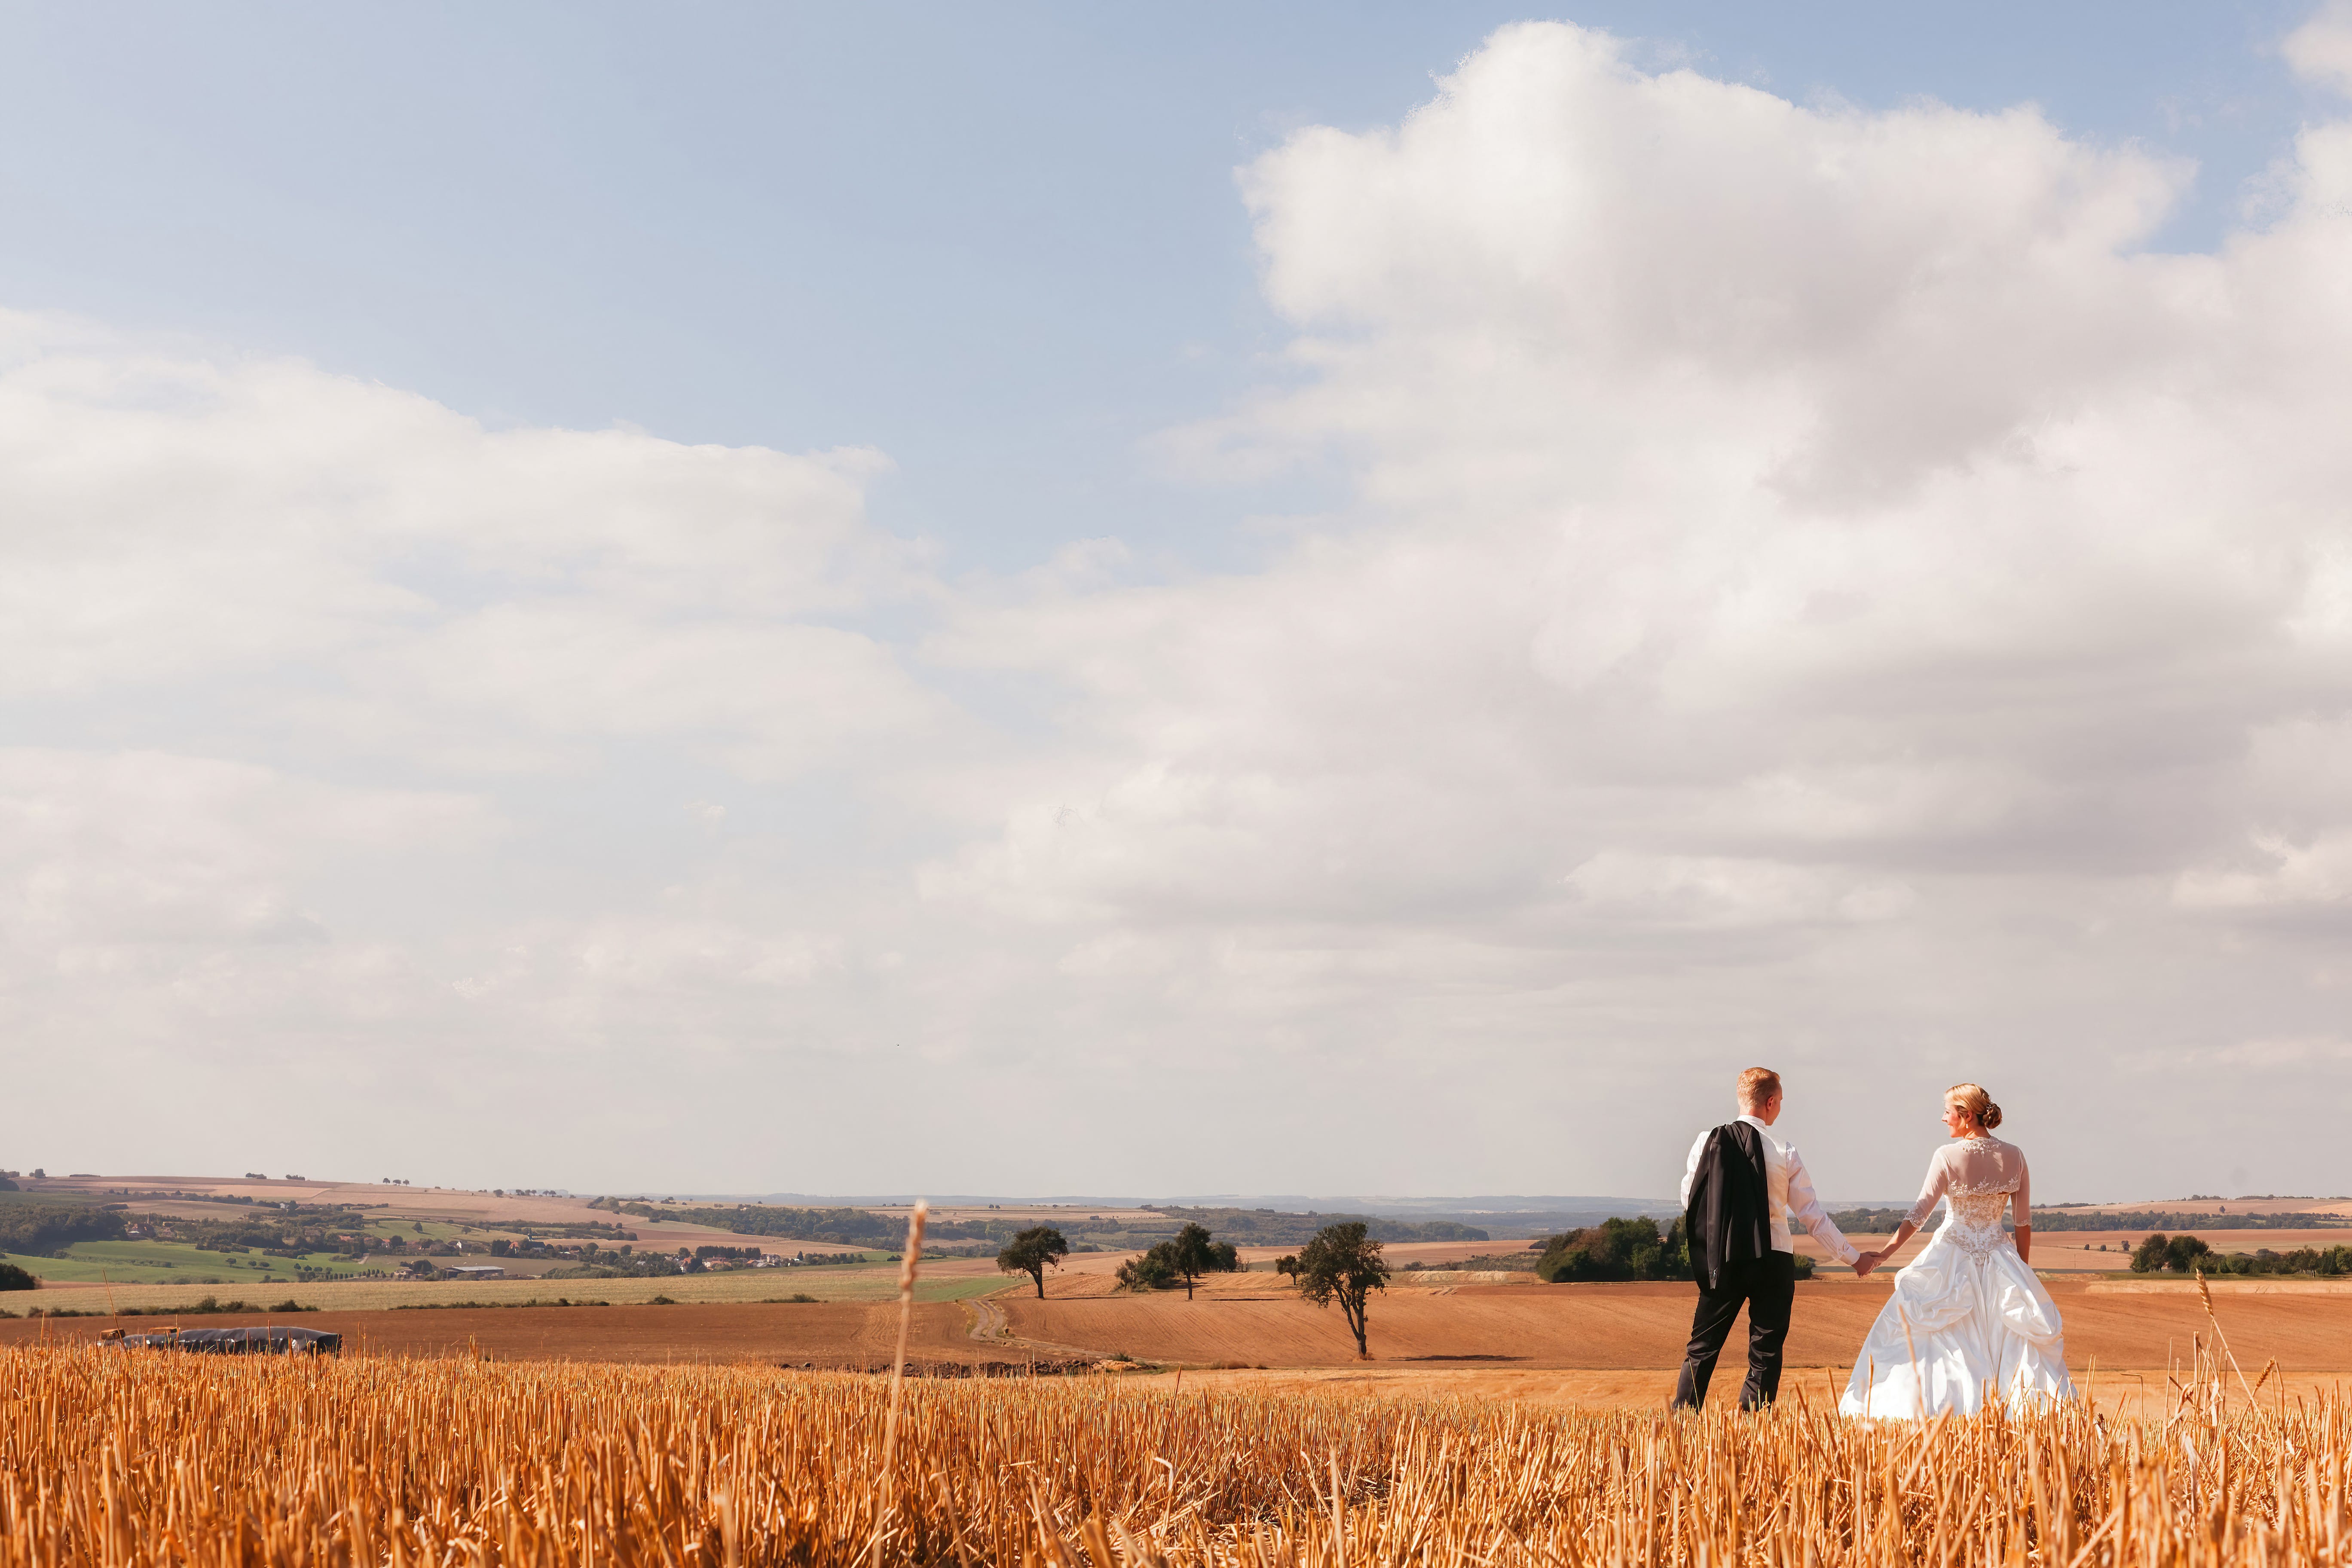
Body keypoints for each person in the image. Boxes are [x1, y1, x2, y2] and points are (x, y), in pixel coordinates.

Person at [1838, 1083, 2073, 1418]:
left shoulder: (1946, 1156)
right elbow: (2022, 1221)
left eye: (1948, 1111)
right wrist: (2021, 1270)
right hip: (1999, 1256)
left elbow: (1918, 1215)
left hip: (1952, 1256)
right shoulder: (2015, 1155)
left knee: (1932, 1332)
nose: (1943, 1117)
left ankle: (1947, 1411)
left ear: (1965, 1115)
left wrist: (1886, 1252)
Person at [1673, 1067, 1865, 1409]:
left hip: (1724, 1258)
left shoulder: (1706, 1141)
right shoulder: (1784, 1149)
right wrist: (1853, 1257)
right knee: (1765, 1349)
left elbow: (1690, 1202)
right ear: (1771, 1101)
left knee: (1702, 1346)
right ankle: (1753, 1426)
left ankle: (1683, 1423)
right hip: (1773, 1259)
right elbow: (1812, 1217)